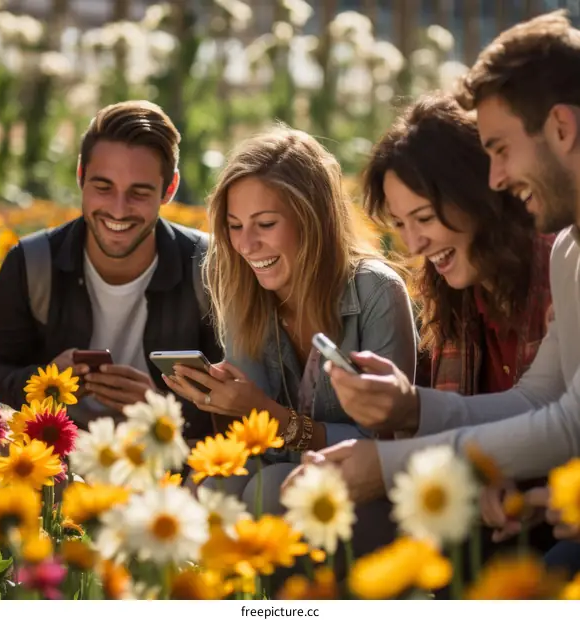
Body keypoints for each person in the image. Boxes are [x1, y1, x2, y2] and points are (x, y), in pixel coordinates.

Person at [284, 9, 580, 522]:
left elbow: (568, 427)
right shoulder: (568, 250)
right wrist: (411, 410)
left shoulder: (551, 253)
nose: (496, 178)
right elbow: (540, 398)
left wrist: (390, 464)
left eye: (502, 150)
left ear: (561, 127)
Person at [165, 124, 417, 539]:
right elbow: (254, 441)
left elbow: (382, 440)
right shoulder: (245, 291)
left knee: (269, 489)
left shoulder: (376, 291)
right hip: (282, 468)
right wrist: (227, 406)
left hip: (371, 486)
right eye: (234, 225)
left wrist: (271, 416)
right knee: (213, 487)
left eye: (264, 224)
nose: (246, 245)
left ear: (312, 218)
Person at [0, 100, 222, 440]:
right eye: (103, 187)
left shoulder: (209, 268)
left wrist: (158, 408)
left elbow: (238, 400)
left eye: (139, 192)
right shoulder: (30, 263)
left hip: (168, 463)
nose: (118, 210)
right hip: (56, 458)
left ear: (169, 189)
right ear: (80, 175)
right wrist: (47, 380)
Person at [365, 92, 554, 398]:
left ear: (478, 197)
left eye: (424, 218)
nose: (413, 246)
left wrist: (415, 409)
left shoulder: (558, 273)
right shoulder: (453, 302)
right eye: (400, 223)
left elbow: (551, 418)